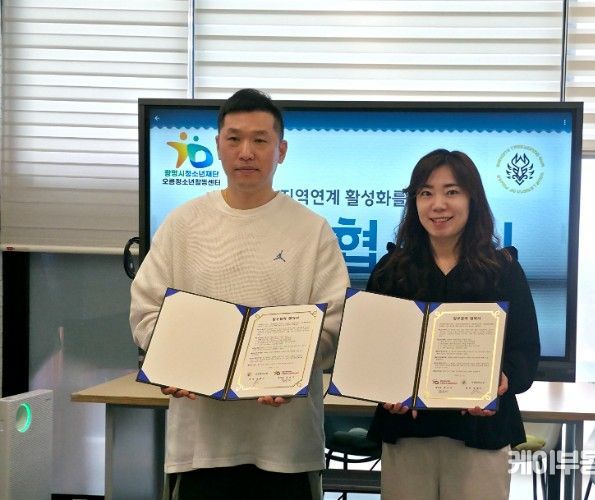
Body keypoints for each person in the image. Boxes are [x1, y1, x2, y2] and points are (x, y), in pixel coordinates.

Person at [130, 88, 350, 500]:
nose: (246, 152)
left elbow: (335, 321)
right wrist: (168, 363)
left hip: (286, 445)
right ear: (218, 146)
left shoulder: (312, 230)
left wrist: (294, 372)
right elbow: (147, 309)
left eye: (260, 140)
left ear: (281, 150)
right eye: (234, 139)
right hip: (201, 446)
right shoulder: (182, 224)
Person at [365, 149, 540, 500]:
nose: (438, 205)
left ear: (472, 199)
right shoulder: (391, 269)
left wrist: (502, 378)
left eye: (452, 192)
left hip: (480, 432)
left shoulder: (503, 270)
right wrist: (383, 387)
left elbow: (525, 350)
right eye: (425, 193)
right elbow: (369, 350)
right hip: (408, 431)